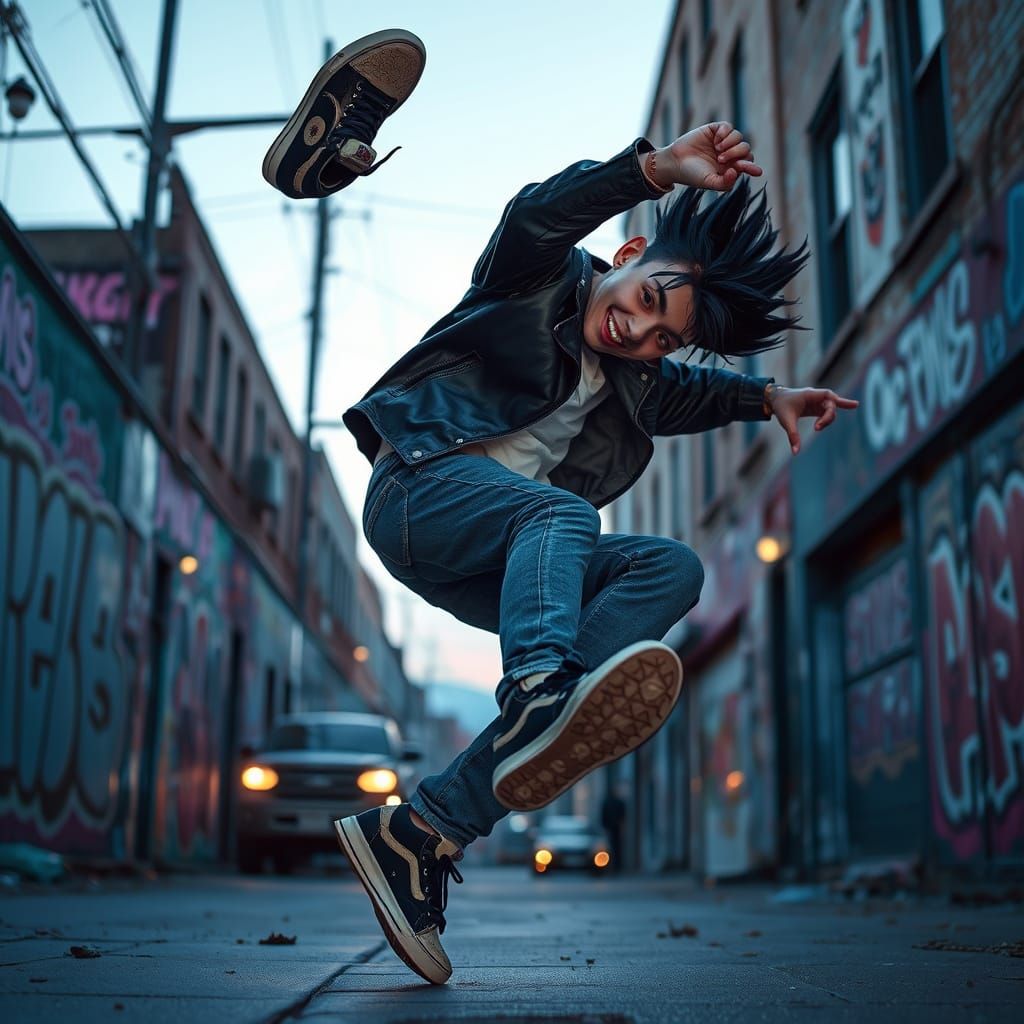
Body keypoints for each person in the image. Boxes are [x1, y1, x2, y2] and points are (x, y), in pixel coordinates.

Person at [263, 30, 858, 986]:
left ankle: (420, 832)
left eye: (662, 338)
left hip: (490, 564)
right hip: (419, 489)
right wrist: (653, 167)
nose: (638, 329)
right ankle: (542, 694)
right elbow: (535, 213)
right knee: (564, 519)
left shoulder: (633, 383)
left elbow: (696, 395)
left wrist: (768, 398)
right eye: (647, 298)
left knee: (672, 568)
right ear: (625, 257)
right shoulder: (533, 279)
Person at [601, 783, 628, 873]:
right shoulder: (617, 802)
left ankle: (614, 866)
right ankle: (616, 866)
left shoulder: (608, 802)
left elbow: (603, 816)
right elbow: (622, 816)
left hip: (612, 828)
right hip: (614, 828)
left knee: (613, 848)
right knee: (615, 848)